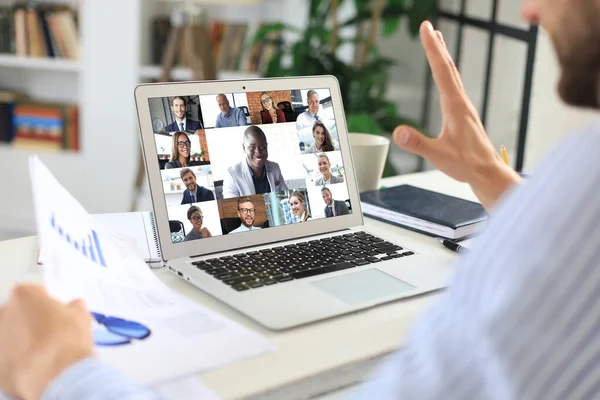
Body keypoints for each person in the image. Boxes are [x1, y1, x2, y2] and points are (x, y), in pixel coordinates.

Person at [6, 2, 600, 397]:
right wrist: (505, 192)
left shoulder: (586, 183)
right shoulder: (235, 176)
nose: (528, 10)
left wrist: (65, 371)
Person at [222, 125, 288, 198]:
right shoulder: (232, 175)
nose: (258, 152)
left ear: (267, 147)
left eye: (262, 147)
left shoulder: (275, 168)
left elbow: (285, 196)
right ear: (244, 148)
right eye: (252, 147)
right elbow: (232, 207)